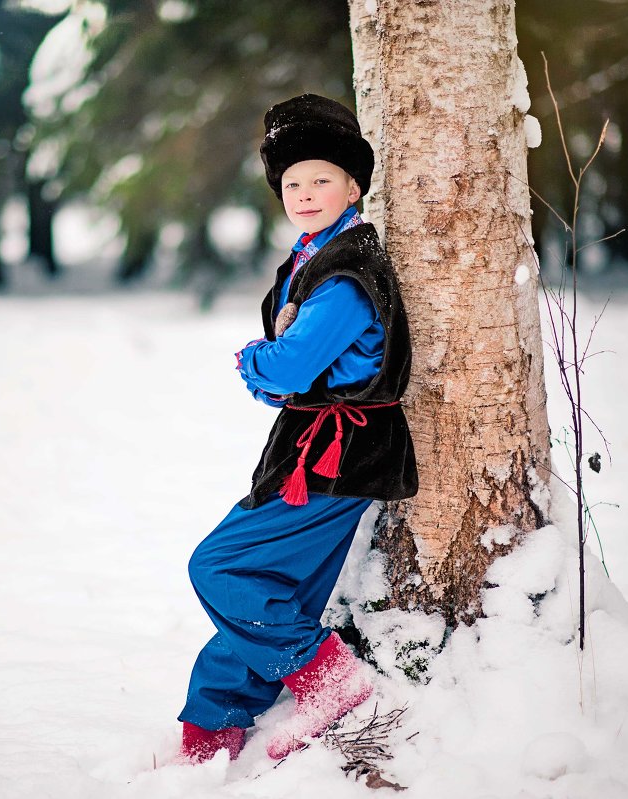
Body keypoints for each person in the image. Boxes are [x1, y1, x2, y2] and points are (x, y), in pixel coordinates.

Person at [177, 93, 418, 764]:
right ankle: (211, 731)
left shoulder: (345, 273)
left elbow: (289, 367)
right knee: (268, 588)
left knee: (219, 565)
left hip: (337, 456)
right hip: (310, 451)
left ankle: (328, 678)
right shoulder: (316, 255)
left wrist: (253, 361)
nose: (305, 193)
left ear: (354, 186)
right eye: (291, 183)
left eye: (321, 179)